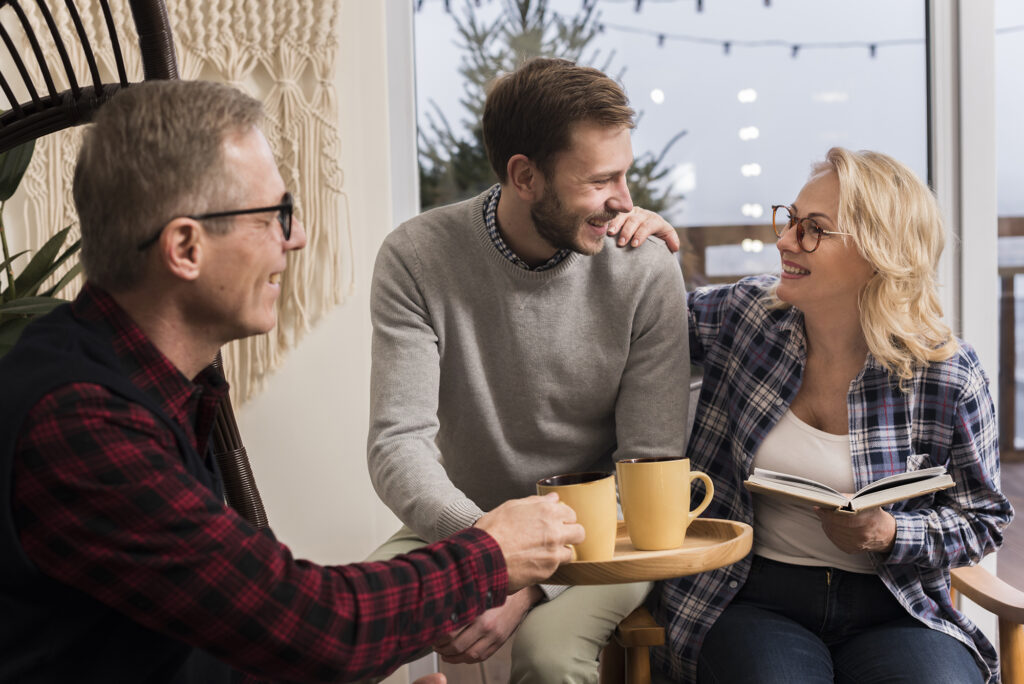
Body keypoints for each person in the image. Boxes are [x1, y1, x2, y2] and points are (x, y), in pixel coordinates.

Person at [0, 79, 586, 684]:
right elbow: (315, 626)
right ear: (185, 247)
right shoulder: (80, 423)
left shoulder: (142, 387)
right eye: (275, 216)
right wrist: (491, 554)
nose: (297, 236)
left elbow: (210, 634)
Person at [620, 147, 1014, 683]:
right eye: (790, 219)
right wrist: (643, 248)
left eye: (813, 230)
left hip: (897, 607)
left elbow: (983, 520)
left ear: (878, 252)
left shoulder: (946, 373)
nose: (785, 241)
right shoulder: (747, 315)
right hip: (751, 597)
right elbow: (640, 322)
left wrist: (890, 532)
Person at [366, 57, 690, 682]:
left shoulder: (643, 267)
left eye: (625, 174)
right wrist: (490, 554)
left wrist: (526, 583)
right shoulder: (416, 257)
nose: (625, 201)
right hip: (467, 523)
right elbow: (396, 446)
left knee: (548, 657)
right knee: (347, 634)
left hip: (609, 534)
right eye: (601, 180)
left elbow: (648, 464)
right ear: (525, 177)